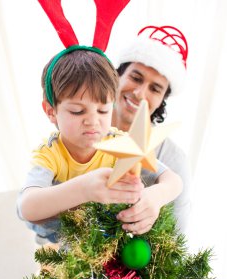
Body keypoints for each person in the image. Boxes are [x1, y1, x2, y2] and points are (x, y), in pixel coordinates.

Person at [17, 48, 183, 243]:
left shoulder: (119, 143)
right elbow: (26, 207)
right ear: (51, 111)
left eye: (103, 110)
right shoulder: (50, 154)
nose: (93, 121)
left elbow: (174, 181)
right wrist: (84, 189)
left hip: (109, 250)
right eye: (78, 111)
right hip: (64, 255)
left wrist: (156, 196)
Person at [111, 26, 191, 233]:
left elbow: (177, 239)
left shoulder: (173, 159)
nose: (139, 93)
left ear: (162, 100)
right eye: (136, 78)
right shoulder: (83, 129)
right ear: (118, 76)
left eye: (155, 89)